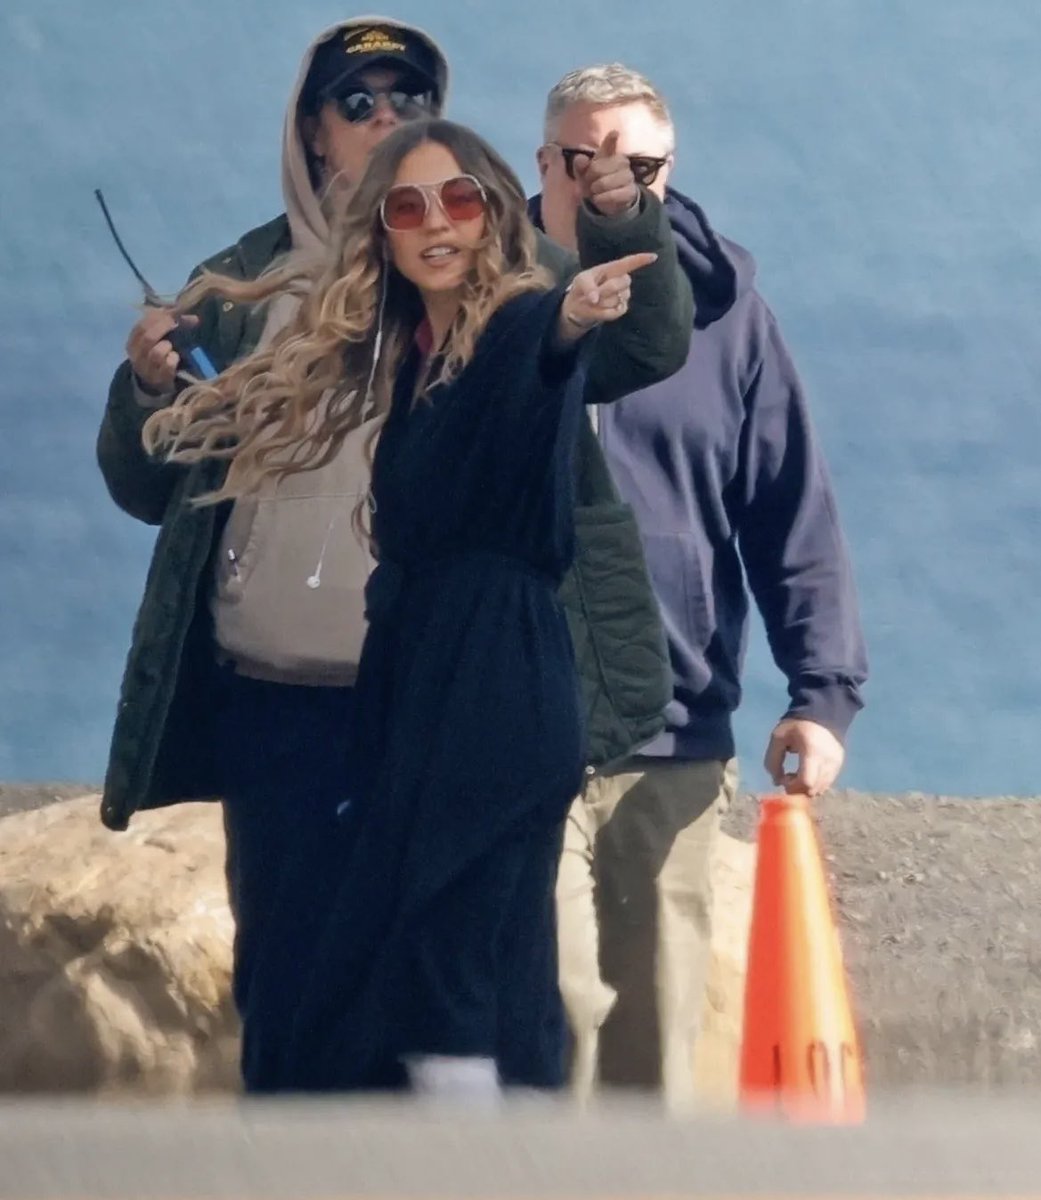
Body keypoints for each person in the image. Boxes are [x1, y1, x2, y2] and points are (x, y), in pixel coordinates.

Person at [96, 20, 695, 1094]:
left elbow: (642, 343)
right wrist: (145, 388)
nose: (388, 121)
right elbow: (143, 483)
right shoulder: (243, 283)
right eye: (359, 101)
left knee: (467, 987)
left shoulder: (502, 272)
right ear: (314, 133)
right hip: (278, 710)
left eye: (411, 101)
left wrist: (616, 215)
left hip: (442, 696)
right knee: (294, 994)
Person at [531, 64, 869, 1109]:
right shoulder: (486, 309)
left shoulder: (732, 325)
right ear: (541, 166)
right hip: (513, 726)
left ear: (670, 174)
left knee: (655, 1066)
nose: (604, 183)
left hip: (671, 741)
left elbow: (789, 513)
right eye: (579, 159)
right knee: (545, 1030)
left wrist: (821, 696)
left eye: (634, 163)